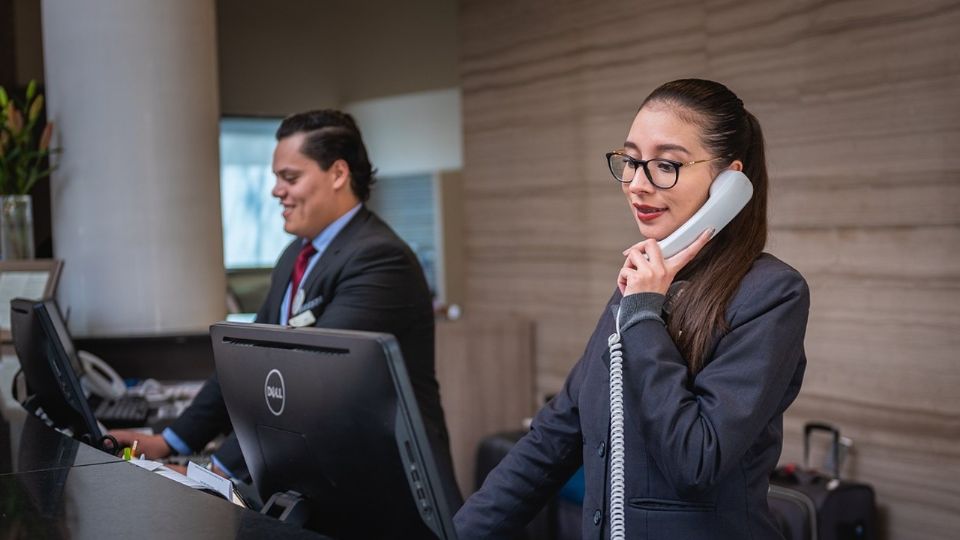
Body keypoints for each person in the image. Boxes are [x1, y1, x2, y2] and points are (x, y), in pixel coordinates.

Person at [454, 79, 810, 539]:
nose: (638, 185)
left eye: (666, 165)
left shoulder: (771, 294)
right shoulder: (643, 281)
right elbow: (555, 437)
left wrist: (643, 313)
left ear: (730, 183)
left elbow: (696, 459)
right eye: (631, 162)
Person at [112, 110, 458, 500]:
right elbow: (245, 362)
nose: (277, 190)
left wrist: (214, 471)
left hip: (385, 495)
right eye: (277, 177)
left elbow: (308, 386)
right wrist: (168, 440)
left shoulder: (379, 260)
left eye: (290, 177)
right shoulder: (296, 254)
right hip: (321, 482)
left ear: (338, 174)